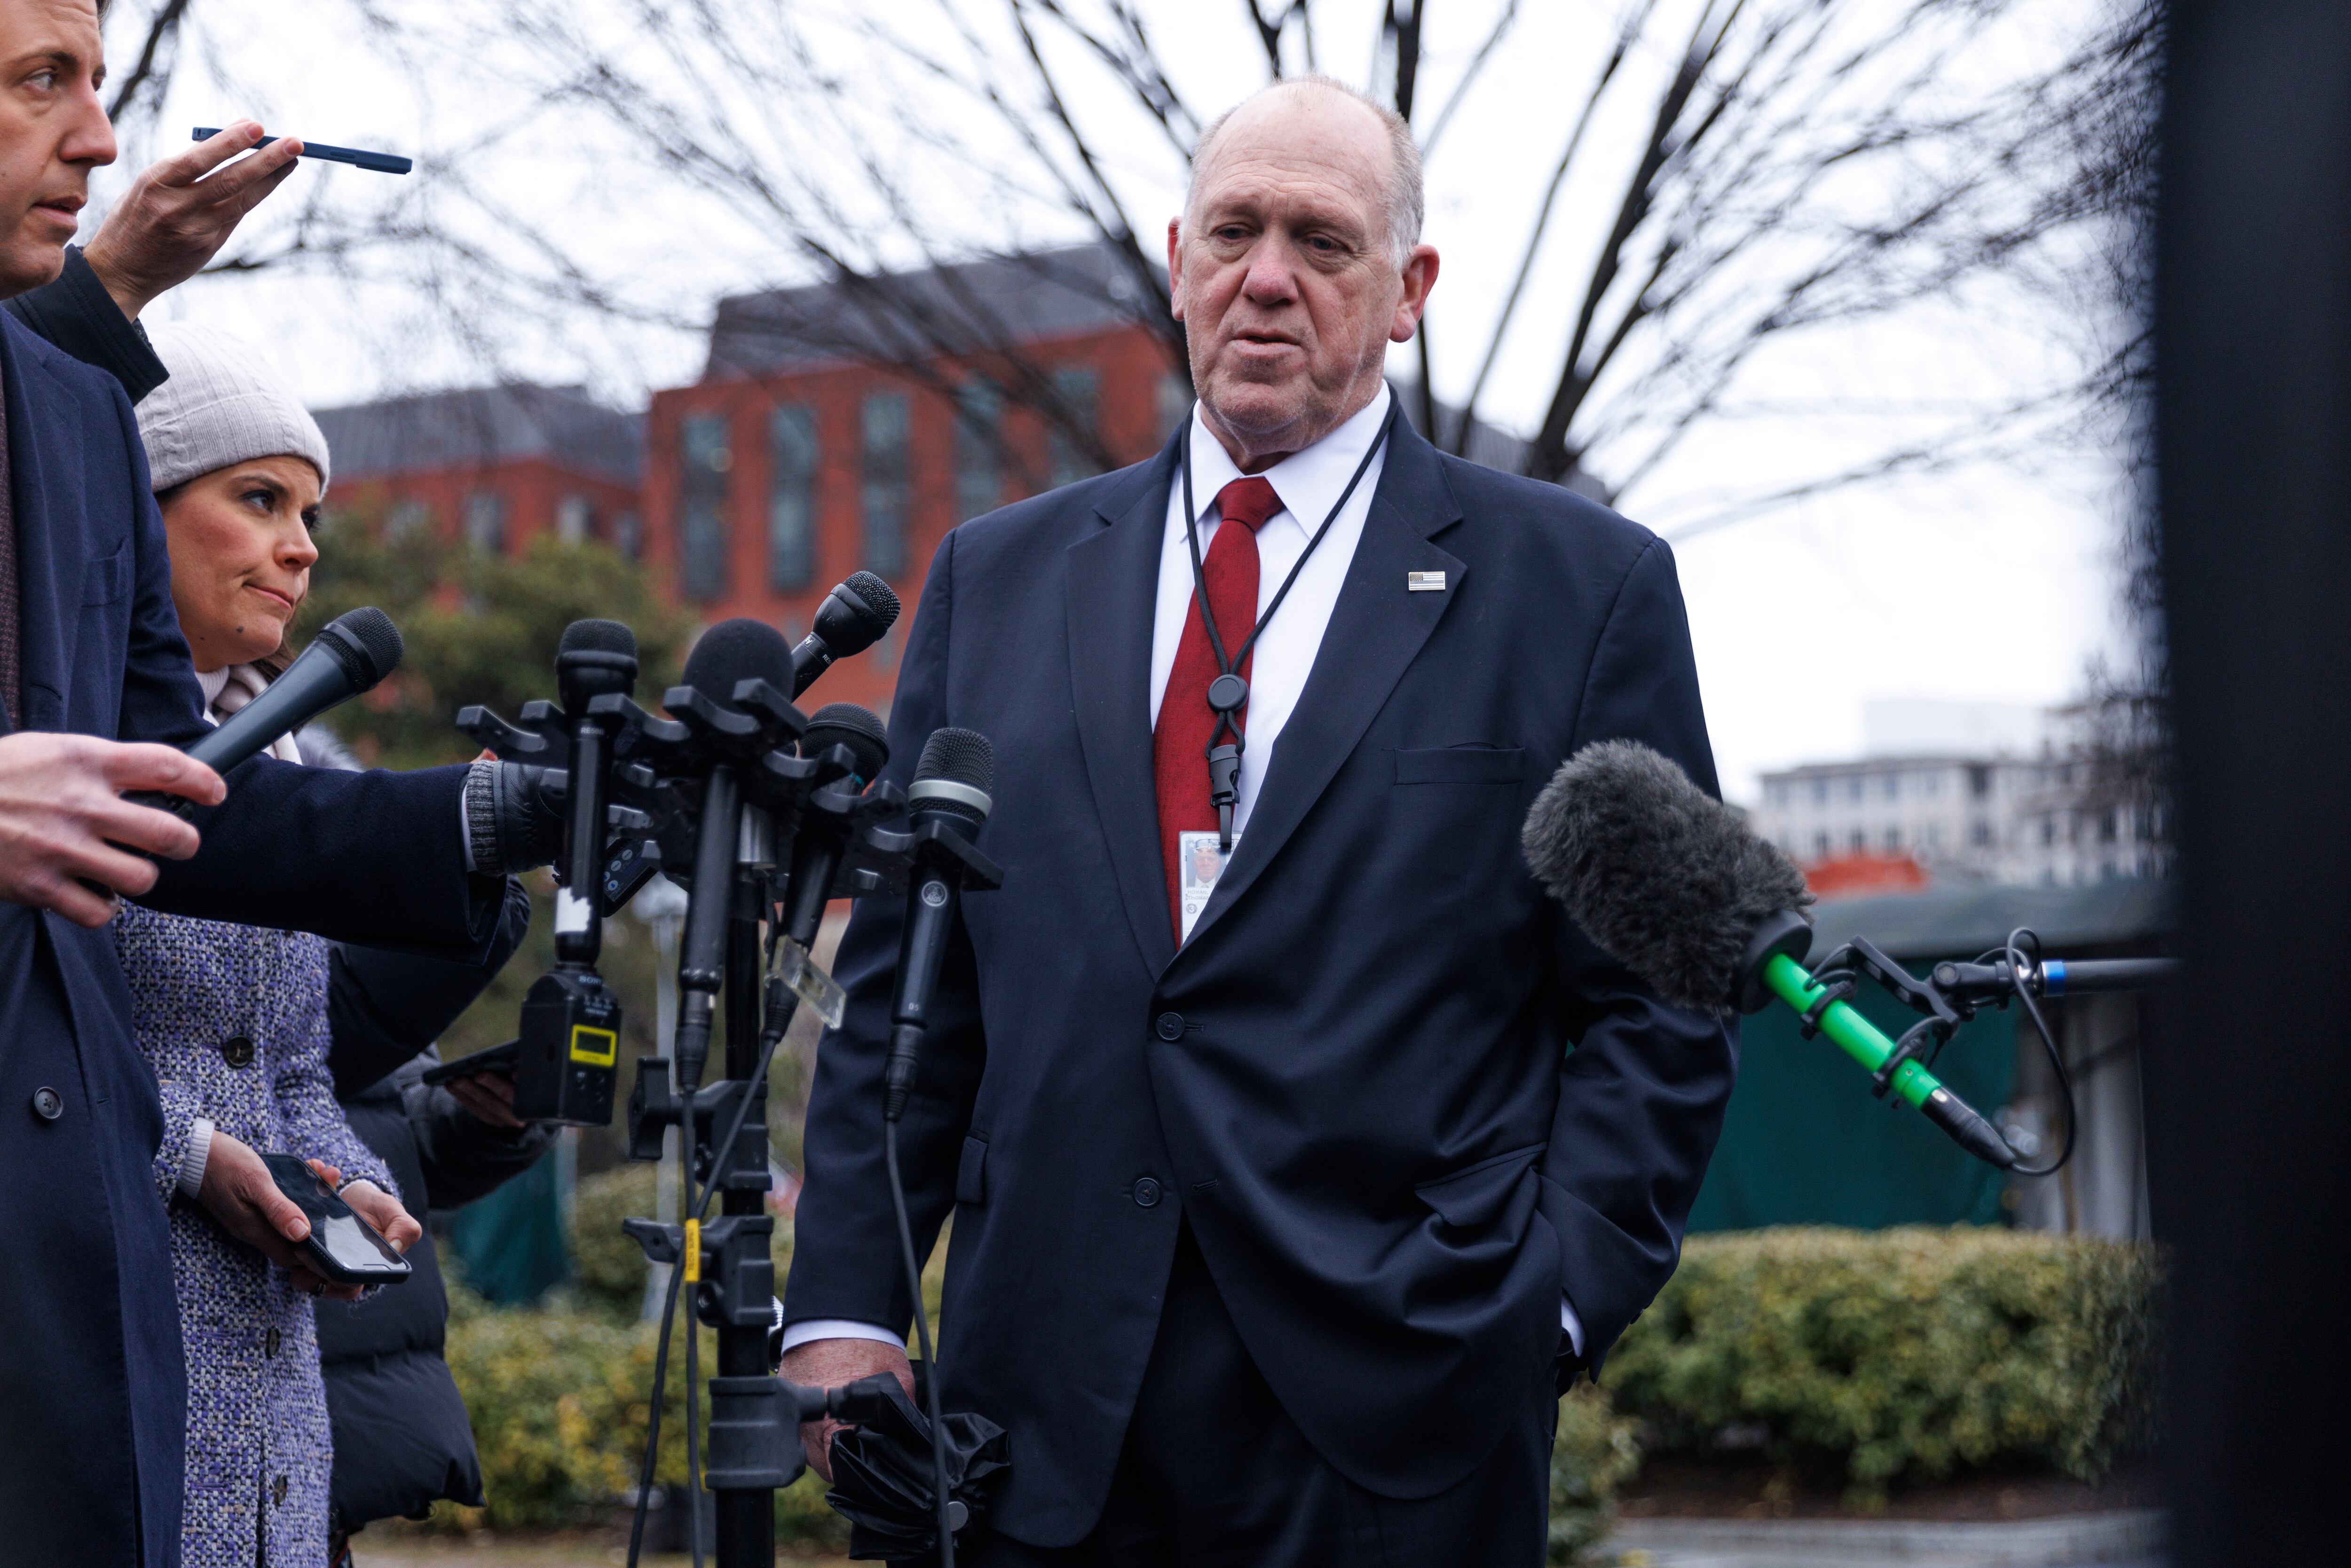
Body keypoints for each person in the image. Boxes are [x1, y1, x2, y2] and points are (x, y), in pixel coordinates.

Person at [778, 76, 1737, 1565]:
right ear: (1177, 263)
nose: (1268, 277)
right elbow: (910, 983)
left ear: (1409, 290)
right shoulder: (997, 580)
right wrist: (844, 1318)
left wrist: (1546, 1305)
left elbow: (1667, 999)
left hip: (1399, 1416)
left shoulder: (1585, 588)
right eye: (1234, 231)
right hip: (1035, 1424)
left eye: (1323, 240)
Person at [0, 10, 552, 1563]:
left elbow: (210, 847)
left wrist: (492, 822)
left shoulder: (62, 406)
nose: (103, 138)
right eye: (46, 79)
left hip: (139, 1373)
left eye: (101, 82)